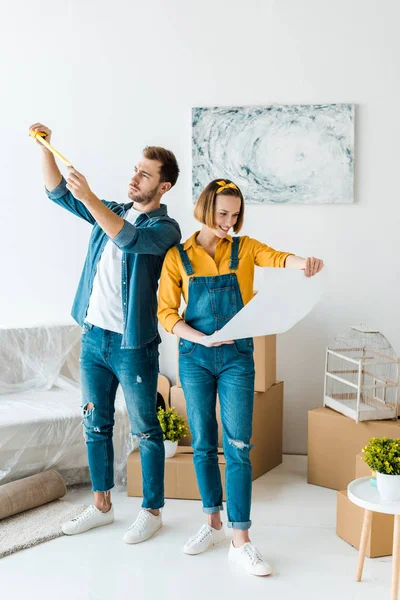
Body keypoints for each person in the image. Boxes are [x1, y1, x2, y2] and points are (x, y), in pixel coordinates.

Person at [157, 179, 323, 575]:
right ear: (205, 209)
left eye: (235, 214)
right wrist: (198, 336)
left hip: (236, 359)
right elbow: (166, 312)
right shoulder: (178, 256)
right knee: (201, 444)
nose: (229, 222)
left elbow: (276, 257)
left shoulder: (244, 249)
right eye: (222, 213)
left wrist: (305, 263)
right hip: (195, 358)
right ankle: (212, 522)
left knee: (238, 445)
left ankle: (241, 539)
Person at [29, 123, 181, 542]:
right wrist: (44, 145)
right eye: (135, 169)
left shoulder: (166, 230)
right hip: (94, 338)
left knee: (146, 430)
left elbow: (130, 240)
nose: (134, 177)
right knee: (94, 424)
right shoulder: (110, 210)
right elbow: (57, 192)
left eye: (145, 174)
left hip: (133, 345)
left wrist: (91, 198)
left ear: (163, 186)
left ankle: (152, 511)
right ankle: (101, 505)